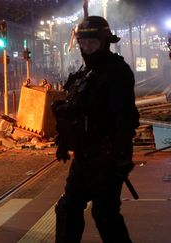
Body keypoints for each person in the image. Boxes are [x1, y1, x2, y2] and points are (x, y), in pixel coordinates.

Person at [52, 16, 139, 243]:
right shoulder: (84, 73)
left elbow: (125, 118)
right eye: (83, 42)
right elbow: (78, 113)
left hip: (108, 157)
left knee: (104, 214)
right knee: (68, 208)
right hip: (84, 155)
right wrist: (64, 135)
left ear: (104, 41)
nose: (87, 47)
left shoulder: (117, 72)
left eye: (93, 43)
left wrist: (122, 156)